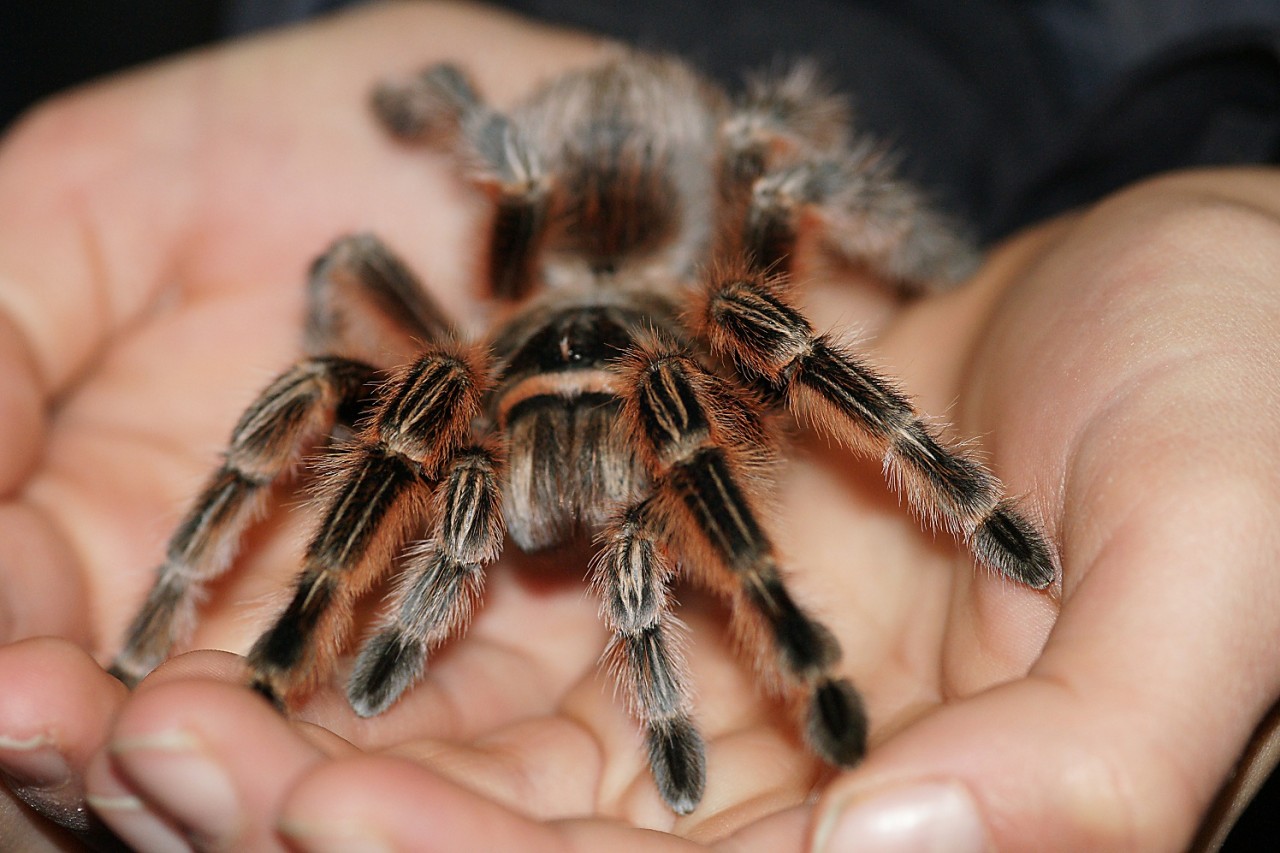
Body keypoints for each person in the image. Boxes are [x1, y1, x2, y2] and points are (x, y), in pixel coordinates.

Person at [0, 2, 1277, 850]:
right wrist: (206, 624)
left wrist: (956, 325)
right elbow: (357, 262)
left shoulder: (703, 335)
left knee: (768, 175)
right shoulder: (458, 367)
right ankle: (263, 655)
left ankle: (828, 636)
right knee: (341, 401)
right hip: (539, 301)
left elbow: (781, 172)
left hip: (685, 266)